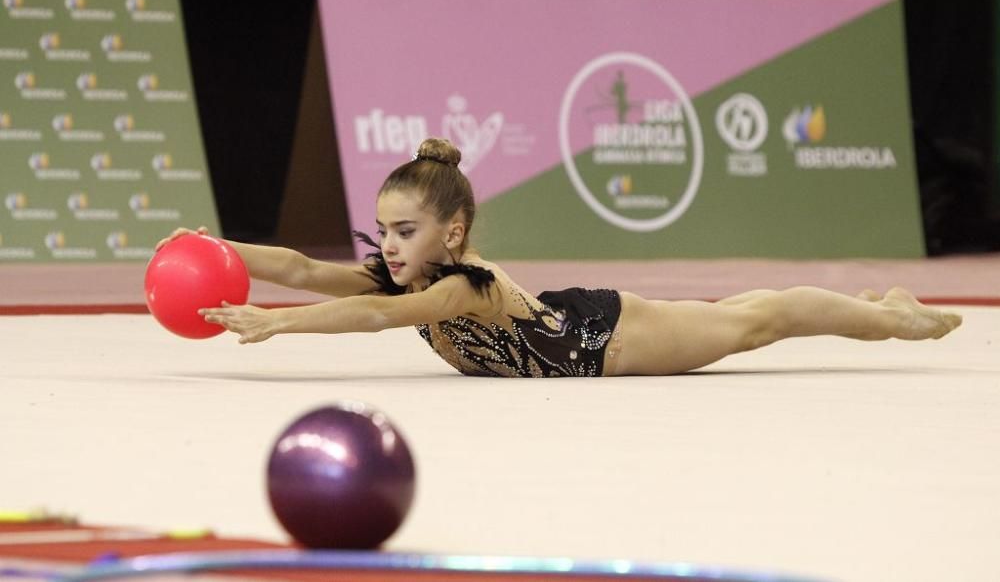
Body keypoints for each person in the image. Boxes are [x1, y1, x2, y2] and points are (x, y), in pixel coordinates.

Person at [156, 138, 962, 378]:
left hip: (604, 341)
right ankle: (882, 309)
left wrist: (276, 327)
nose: (388, 247)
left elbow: (376, 315)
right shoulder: (403, 268)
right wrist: (213, 248)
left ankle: (893, 317)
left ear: (455, 234)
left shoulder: (462, 287)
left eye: (405, 231)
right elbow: (300, 265)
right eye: (383, 229)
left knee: (754, 322)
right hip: (567, 321)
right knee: (744, 318)